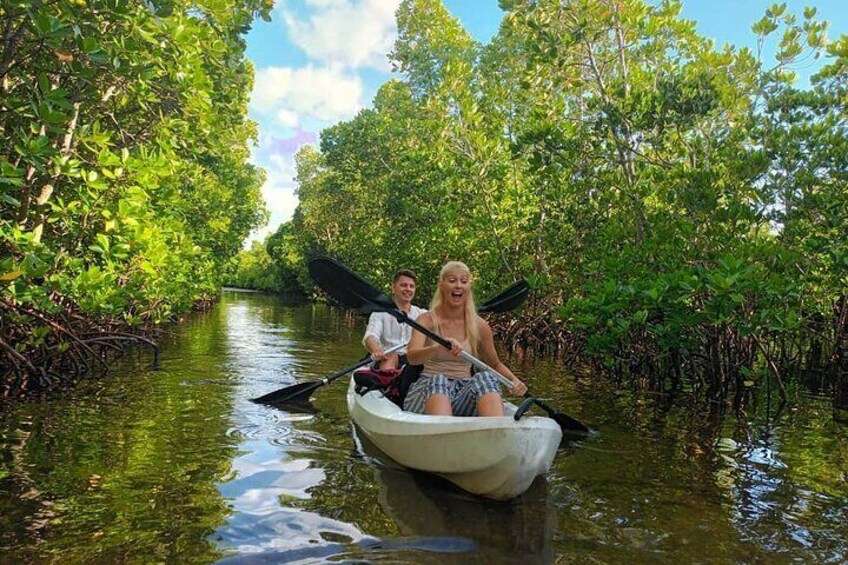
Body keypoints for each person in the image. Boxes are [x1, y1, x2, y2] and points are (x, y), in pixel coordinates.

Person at [403, 261, 527, 417]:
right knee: (439, 381)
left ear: (468, 286)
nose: (458, 286)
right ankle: (443, 428)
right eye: (452, 280)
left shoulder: (479, 325)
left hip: (464, 391)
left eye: (463, 281)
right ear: (442, 285)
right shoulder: (426, 320)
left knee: (485, 377)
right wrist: (437, 349)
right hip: (428, 388)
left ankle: (495, 428)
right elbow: (412, 357)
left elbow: (494, 364)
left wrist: (513, 380)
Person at [362, 269, 426, 370]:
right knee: (391, 357)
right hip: (387, 356)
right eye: (403, 285)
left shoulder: (423, 315)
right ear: (393, 287)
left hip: (413, 360)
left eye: (411, 286)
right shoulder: (380, 313)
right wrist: (376, 350)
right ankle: (386, 376)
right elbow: (370, 336)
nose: (408, 289)